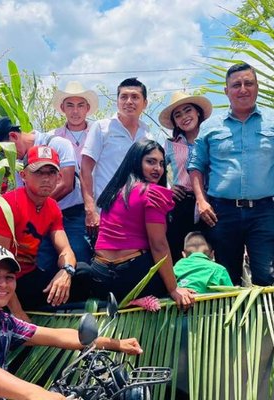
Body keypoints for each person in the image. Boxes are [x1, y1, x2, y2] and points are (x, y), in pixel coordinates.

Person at [0, 244, 142, 400]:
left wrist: (116, 344)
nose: (3, 284)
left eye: (9, 277)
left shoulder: (2, 322)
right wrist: (42, 395)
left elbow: (56, 336)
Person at [188, 62, 274, 286]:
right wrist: (201, 201)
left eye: (248, 83)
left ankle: (266, 320)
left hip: (262, 212)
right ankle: (230, 322)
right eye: (236, 85)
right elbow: (196, 165)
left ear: (257, 86)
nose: (243, 89)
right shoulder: (211, 126)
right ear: (226, 91)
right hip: (221, 213)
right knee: (226, 280)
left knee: (267, 279)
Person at [78, 139, 195, 309]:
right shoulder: (152, 193)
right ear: (135, 161)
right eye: (150, 161)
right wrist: (174, 289)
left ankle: (127, 302)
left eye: (162, 163)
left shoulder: (114, 192)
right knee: (177, 275)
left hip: (100, 280)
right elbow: (158, 245)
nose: (158, 169)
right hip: (132, 278)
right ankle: (136, 299)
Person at [0, 146, 76, 320]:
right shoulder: (7, 205)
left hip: (28, 277)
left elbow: (66, 250)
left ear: (59, 177)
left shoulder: (52, 207)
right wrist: (18, 313)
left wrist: (67, 272)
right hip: (1, 281)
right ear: (23, 175)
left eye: (51, 172)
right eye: (38, 172)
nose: (46, 178)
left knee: (83, 274)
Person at [34, 82, 100, 277]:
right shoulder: (53, 138)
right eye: (70, 105)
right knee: (47, 256)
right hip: (57, 206)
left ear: (87, 108)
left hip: (87, 207)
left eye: (80, 105)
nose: (75, 111)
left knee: (82, 255)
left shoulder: (98, 132)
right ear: (62, 108)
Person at [81, 77, 150, 237]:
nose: (129, 101)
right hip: (107, 211)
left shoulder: (147, 134)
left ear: (145, 103)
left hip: (139, 211)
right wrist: (90, 208)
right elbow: (86, 168)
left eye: (135, 97)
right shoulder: (102, 128)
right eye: (124, 97)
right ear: (117, 101)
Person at [157, 91, 212, 263]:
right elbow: (155, 170)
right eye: (178, 115)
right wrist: (166, 190)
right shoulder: (171, 144)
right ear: (174, 122)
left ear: (197, 112)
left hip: (210, 200)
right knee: (177, 249)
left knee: (211, 248)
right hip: (181, 203)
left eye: (188, 111)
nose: (184, 117)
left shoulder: (212, 139)